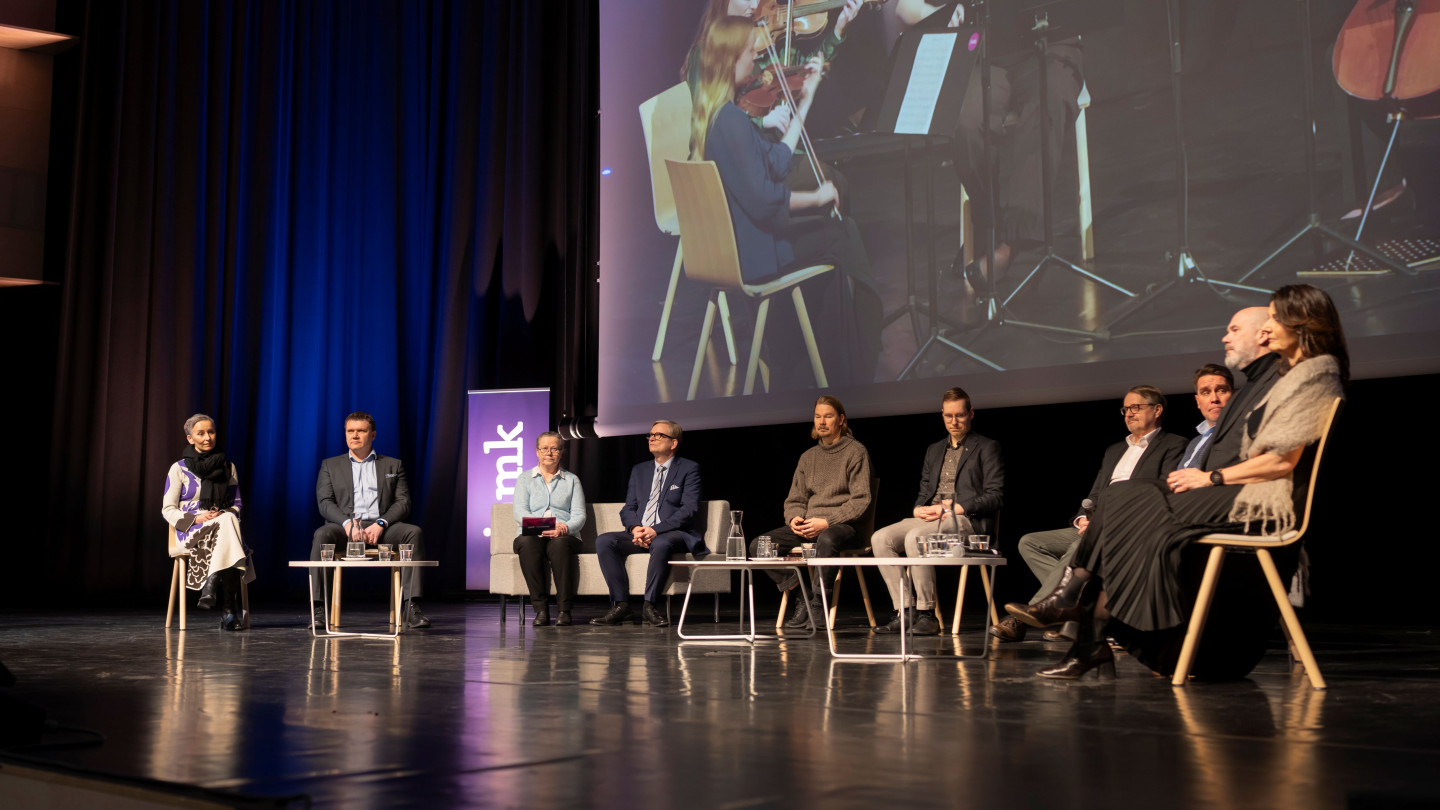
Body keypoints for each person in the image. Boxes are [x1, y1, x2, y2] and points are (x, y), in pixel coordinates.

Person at [1010, 284, 1348, 681]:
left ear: (1301, 323)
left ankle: (1079, 613)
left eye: (1275, 319)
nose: (1268, 328)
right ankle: (1082, 621)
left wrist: (1211, 477)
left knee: (1127, 505)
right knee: (1119, 494)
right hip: (1235, 489)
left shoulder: (1312, 377)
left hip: (1257, 499)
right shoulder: (1285, 376)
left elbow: (1280, 461)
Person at [693, 15, 884, 386]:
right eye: (748, 52)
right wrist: (817, 197)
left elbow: (777, 162)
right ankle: (854, 364)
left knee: (835, 232)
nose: (755, 59)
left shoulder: (719, 117)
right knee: (843, 233)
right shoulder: (732, 122)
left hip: (748, 246)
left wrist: (805, 101)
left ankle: (831, 361)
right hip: (759, 255)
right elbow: (766, 201)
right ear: (731, 61)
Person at [894, 1, 1085, 284]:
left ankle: (1011, 243)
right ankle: (989, 227)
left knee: (1049, 99)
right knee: (965, 119)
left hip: (1051, 47)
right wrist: (941, 13)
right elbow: (904, 7)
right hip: (986, 55)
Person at [992, 385, 1187, 643]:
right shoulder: (1115, 450)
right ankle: (1073, 610)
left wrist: (1106, 521)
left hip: (1129, 527)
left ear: (1157, 410)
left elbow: (1161, 492)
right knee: (1030, 542)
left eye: (1136, 407)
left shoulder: (1174, 445)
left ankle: (1025, 618)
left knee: (1079, 548)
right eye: (1125, 409)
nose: (1129, 413)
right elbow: (1094, 494)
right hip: (1095, 523)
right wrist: (1084, 518)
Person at [871, 387, 1004, 635]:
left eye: (959, 415)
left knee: (916, 538)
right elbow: (924, 492)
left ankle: (927, 615)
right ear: (942, 415)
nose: (954, 422)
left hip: (967, 520)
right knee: (880, 538)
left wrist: (956, 507)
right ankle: (906, 610)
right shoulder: (934, 450)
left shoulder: (987, 447)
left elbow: (995, 496)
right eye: (948, 416)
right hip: (933, 518)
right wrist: (918, 510)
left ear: (971, 413)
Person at [752, 395, 873, 629]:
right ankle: (803, 597)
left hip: (844, 527)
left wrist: (827, 522)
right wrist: (795, 518)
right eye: (818, 416)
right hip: (810, 527)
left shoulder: (856, 452)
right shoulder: (808, 457)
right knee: (759, 545)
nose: (822, 422)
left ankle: (819, 603)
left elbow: (861, 501)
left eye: (828, 416)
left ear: (841, 420)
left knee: (827, 539)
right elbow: (795, 499)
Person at [310, 412, 430, 629]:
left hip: (381, 528)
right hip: (344, 528)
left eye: (361, 431)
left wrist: (381, 523)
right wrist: (347, 524)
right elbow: (325, 503)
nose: (355, 435)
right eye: (350, 431)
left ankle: (411, 606)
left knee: (413, 532)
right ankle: (319, 608)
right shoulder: (330, 465)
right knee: (322, 535)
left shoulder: (393, 465)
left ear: (372, 435)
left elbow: (403, 503)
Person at [591, 421, 704, 628]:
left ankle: (650, 606)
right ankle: (621, 606)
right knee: (605, 541)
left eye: (659, 435)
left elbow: (688, 510)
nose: (652, 438)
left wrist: (655, 530)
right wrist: (636, 529)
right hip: (642, 531)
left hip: (674, 532)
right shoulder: (639, 470)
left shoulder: (689, 468)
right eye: (651, 434)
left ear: (673, 443)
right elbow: (629, 508)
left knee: (661, 543)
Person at [161, 414, 254, 631]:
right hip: (191, 531)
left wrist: (220, 514)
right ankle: (229, 610)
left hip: (222, 526)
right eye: (200, 433)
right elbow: (168, 509)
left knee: (228, 520)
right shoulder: (179, 468)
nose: (207, 437)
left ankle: (211, 586)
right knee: (230, 530)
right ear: (190, 438)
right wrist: (195, 518)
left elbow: (237, 505)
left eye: (211, 432)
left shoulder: (228, 467)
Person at [512, 432, 588, 627]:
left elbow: (579, 515)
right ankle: (541, 610)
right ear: (537, 452)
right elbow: (520, 512)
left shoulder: (571, 480)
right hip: (532, 533)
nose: (549, 453)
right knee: (527, 543)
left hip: (564, 533)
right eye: (544, 448)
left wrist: (564, 528)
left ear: (561, 452)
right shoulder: (525, 479)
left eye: (554, 448)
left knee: (559, 545)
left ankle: (564, 610)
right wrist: (543, 527)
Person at [1196, 306, 1282, 473]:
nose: (1225, 339)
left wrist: (1210, 478)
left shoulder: (1280, 382)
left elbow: (1275, 459)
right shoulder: (1246, 389)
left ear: (1262, 335)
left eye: (1235, 330)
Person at [1176, 364, 1235, 470]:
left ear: (1234, 396)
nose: (1214, 399)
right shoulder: (1194, 442)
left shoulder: (1243, 432)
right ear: (1198, 401)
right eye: (1206, 393)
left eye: (1222, 390)